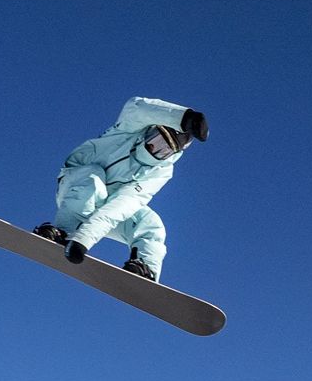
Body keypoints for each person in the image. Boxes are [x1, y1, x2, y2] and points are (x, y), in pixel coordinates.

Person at [34, 96, 207, 283]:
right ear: (151, 130)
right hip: (75, 186)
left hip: (104, 209)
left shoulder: (161, 171)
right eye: (156, 140)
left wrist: (83, 239)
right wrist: (184, 118)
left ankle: (144, 268)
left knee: (151, 224)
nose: (153, 149)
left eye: (164, 150)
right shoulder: (128, 131)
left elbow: (122, 205)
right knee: (93, 178)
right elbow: (138, 107)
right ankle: (62, 231)